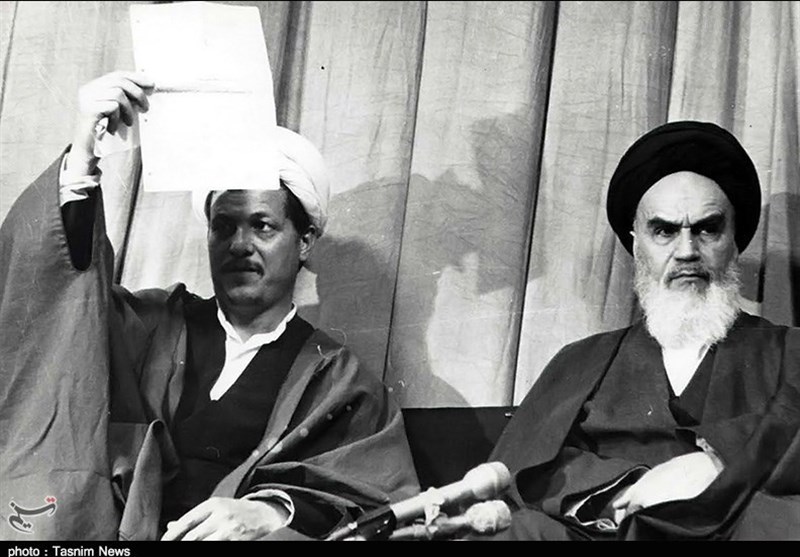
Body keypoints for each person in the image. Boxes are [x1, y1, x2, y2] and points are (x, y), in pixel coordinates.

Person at [0, 71, 419, 541]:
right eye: (223, 226)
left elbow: (379, 506)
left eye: (262, 226)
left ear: (304, 241)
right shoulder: (149, 326)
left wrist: (273, 513)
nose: (239, 244)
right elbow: (58, 303)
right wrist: (83, 153)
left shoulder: (339, 381)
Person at [479, 121, 800, 540]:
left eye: (707, 229)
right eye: (664, 231)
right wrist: (632, 486)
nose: (687, 251)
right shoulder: (583, 360)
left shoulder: (791, 349)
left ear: (734, 241)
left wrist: (718, 461)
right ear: (635, 244)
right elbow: (523, 466)